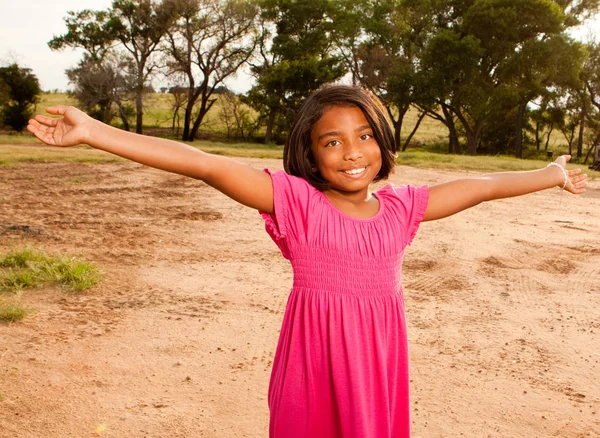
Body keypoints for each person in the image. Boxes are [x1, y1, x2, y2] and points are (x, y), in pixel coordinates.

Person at [27, 85, 588, 438]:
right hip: (313, 362)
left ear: (383, 142)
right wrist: (95, 132)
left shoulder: (402, 209)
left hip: (375, 364)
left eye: (365, 136)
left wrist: (553, 174)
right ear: (309, 152)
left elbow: (482, 185)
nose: (353, 152)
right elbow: (204, 164)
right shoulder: (295, 203)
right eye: (333, 141)